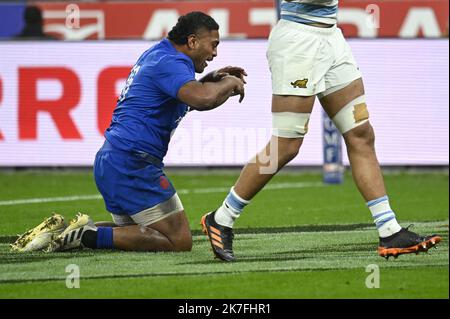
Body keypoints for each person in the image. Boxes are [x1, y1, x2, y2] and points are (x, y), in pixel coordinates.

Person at [200, 0, 442, 262]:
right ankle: (222, 218)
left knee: (361, 134)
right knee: (287, 144)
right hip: (298, 42)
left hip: (330, 37)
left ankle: (389, 230)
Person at [11, 11, 247, 253]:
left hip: (115, 159)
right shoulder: (171, 63)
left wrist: (210, 79)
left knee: (137, 231)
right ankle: (86, 236)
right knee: (178, 241)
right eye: (214, 45)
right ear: (192, 41)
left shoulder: (160, 54)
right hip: (133, 163)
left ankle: (60, 233)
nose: (215, 53)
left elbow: (187, 98)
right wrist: (230, 83)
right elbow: (202, 99)